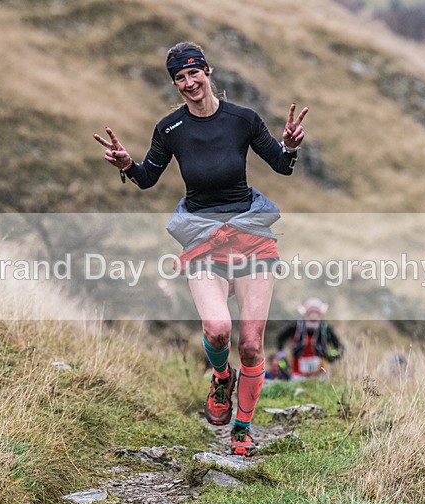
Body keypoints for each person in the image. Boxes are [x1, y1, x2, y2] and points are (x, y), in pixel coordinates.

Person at [93, 42, 308, 456]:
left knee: (251, 343)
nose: (189, 82)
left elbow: (282, 165)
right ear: (175, 84)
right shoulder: (169, 129)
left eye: (194, 73)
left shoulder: (243, 119)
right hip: (202, 238)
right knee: (218, 328)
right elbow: (147, 178)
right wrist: (127, 165)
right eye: (180, 78)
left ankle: (242, 429)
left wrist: (291, 145)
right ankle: (221, 377)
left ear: (207, 71)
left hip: (250, 233)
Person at [275, 297, 344, 380]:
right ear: (305, 315)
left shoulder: (325, 330)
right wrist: (282, 357)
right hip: (298, 375)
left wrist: (328, 355)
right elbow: (280, 340)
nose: (313, 316)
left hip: (320, 375)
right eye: (310, 313)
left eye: (316, 313)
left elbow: (339, 348)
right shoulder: (296, 327)